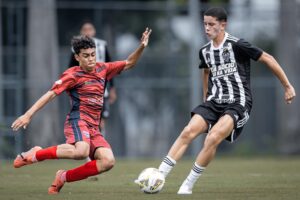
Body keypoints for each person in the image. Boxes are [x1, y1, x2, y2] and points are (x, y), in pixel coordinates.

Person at [157, 7, 296, 195]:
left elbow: (268, 58)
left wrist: (287, 86)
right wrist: (206, 96)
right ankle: (159, 176)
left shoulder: (238, 45)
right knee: (188, 131)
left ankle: (188, 183)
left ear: (223, 25)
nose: (207, 28)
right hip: (214, 102)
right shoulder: (204, 51)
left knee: (213, 137)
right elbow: (206, 71)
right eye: (205, 24)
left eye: (211, 24)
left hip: (238, 102)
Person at [11, 27, 152, 195]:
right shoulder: (72, 75)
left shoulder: (103, 69)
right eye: (86, 56)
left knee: (108, 161)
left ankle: (63, 177)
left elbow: (129, 63)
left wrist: (142, 46)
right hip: (78, 120)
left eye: (93, 54)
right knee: (81, 151)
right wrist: (28, 115)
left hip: (93, 127)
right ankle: (36, 154)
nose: (91, 59)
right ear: (77, 57)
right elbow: (50, 95)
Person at [69, 22, 117, 133]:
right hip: (83, 90)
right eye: (85, 30)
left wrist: (112, 88)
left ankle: (99, 144)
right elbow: (71, 69)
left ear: (94, 31)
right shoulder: (75, 48)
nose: (87, 32)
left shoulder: (102, 45)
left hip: (101, 89)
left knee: (100, 119)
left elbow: (110, 68)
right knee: (84, 119)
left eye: (90, 29)